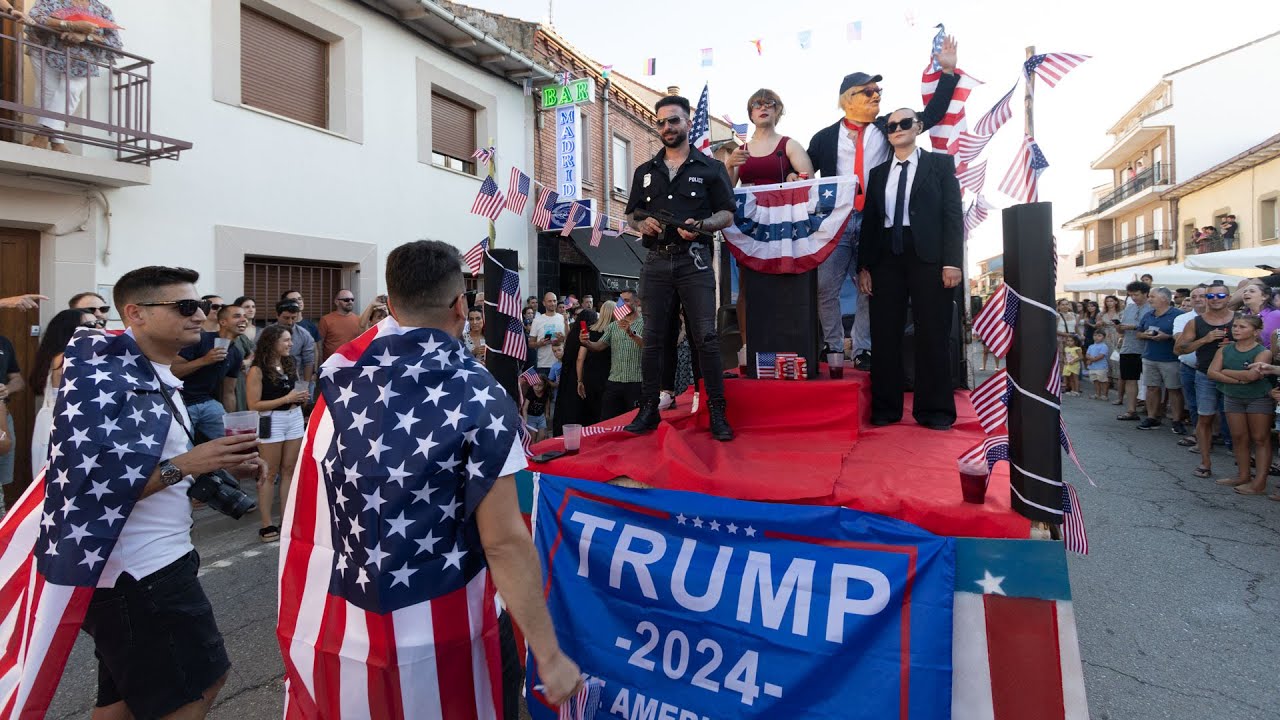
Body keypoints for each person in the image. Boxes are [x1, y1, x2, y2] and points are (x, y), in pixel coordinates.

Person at [279, 240, 583, 712]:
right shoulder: (479, 395)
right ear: (462, 306)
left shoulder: (341, 382)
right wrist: (548, 653)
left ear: (390, 304)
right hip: (451, 627)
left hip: (354, 622)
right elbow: (503, 540)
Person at [76, 265, 266, 718]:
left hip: (148, 565)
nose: (200, 315)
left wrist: (221, 464)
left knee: (121, 698)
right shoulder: (110, 385)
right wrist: (189, 463)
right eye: (184, 307)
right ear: (135, 313)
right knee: (200, 682)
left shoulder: (157, 376)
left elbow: (157, 465)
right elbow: (93, 489)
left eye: (200, 305)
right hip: (138, 574)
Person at [807, 36, 960, 373]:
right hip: (837, 221)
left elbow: (931, 115)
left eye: (878, 92)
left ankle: (862, 349)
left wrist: (947, 73)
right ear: (848, 99)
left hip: (877, 220)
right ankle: (832, 346)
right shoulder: (822, 138)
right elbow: (800, 171)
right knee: (824, 286)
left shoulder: (889, 126)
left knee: (868, 288)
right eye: (868, 92)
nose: (876, 96)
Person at [623, 95, 737, 440]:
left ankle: (717, 411)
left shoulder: (711, 167)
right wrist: (641, 226)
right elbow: (631, 214)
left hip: (696, 260)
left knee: (706, 337)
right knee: (655, 339)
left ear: (688, 123)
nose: (667, 127)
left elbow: (727, 213)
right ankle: (647, 410)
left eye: (673, 120)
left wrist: (702, 225)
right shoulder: (645, 171)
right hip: (656, 261)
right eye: (661, 122)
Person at [855, 108, 962, 428]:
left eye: (904, 123)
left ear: (918, 127)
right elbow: (870, 223)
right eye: (891, 126)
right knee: (884, 334)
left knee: (933, 333)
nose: (897, 129)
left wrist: (952, 261)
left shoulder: (940, 165)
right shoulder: (877, 174)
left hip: (929, 257)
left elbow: (952, 216)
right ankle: (886, 409)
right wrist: (864, 266)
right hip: (886, 256)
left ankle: (935, 411)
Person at [724, 88, 817, 346]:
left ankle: (784, 341)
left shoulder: (788, 144)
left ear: (778, 111)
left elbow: (808, 179)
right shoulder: (740, 149)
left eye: (769, 103)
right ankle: (747, 344)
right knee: (747, 284)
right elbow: (726, 192)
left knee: (782, 281)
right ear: (751, 113)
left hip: (781, 225)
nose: (763, 107)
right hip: (750, 224)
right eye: (756, 104)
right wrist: (730, 164)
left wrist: (791, 177)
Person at [24, 0, 123, 152]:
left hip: (81, 58)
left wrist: (86, 37)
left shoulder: (102, 10)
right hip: (48, 50)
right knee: (47, 94)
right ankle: (57, 142)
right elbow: (35, 17)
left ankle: (42, 135)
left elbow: (115, 42)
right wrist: (71, 25)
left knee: (71, 91)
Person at [245, 324, 309, 542]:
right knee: (269, 472)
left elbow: (293, 390)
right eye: (286, 340)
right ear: (272, 342)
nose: (291, 344)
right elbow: (253, 404)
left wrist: (300, 398)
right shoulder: (257, 369)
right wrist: (286, 399)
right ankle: (266, 524)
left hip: (294, 418)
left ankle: (287, 519)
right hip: (271, 420)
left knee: (289, 470)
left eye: (290, 339)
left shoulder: (289, 362)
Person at [1176, 280, 1236, 479]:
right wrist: (1205, 339)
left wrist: (1234, 346)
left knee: (1238, 421)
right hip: (1205, 375)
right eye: (1210, 296)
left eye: (1220, 296)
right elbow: (1178, 349)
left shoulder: (1240, 319)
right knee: (1205, 418)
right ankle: (1205, 462)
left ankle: (1243, 466)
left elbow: (1258, 345)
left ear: (1228, 298)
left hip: (1234, 376)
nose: (1215, 300)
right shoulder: (1196, 322)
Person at [29, 308, 98, 477]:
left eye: (97, 323)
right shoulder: (67, 356)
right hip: (62, 424)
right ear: (70, 328)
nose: (97, 327)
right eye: (89, 324)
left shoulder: (62, 354)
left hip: (61, 421)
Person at [1208, 315, 1273, 494]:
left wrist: (1226, 371)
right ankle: (1243, 475)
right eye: (1235, 326)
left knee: (1260, 438)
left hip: (1258, 398)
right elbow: (1212, 372)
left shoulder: (1263, 352)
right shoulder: (1225, 349)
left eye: (1242, 327)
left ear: (1256, 331)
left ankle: (1260, 482)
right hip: (1232, 396)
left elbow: (1253, 376)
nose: (1236, 329)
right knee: (1238, 437)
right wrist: (1237, 380)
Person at [172, 303, 246, 440]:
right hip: (181, 403)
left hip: (208, 402)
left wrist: (232, 421)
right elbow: (172, 372)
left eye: (245, 317)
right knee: (182, 446)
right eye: (237, 316)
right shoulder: (200, 339)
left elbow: (229, 392)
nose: (244, 320)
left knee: (230, 442)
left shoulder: (236, 353)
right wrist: (205, 360)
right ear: (223, 322)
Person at [580, 299, 645, 420]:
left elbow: (648, 346)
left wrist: (631, 333)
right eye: (621, 301)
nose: (622, 304)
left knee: (635, 421)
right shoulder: (613, 326)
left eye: (627, 300)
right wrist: (587, 343)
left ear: (636, 302)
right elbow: (599, 346)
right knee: (607, 420)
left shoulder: (646, 323)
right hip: (614, 381)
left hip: (636, 381)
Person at [1135, 288, 1185, 431]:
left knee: (1174, 389)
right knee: (1151, 388)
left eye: (1152, 296)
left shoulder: (1178, 315)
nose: (1149, 299)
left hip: (1171, 358)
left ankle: (1177, 420)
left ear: (1164, 299)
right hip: (1150, 357)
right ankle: (1152, 417)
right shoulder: (1148, 314)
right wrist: (1146, 335)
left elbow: (1183, 336)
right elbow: (1138, 333)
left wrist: (1167, 337)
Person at [1172, 286, 1208, 443]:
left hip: (1213, 368)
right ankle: (1198, 434)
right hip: (1189, 367)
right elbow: (1180, 342)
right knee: (1194, 403)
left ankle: (1216, 435)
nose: (1198, 299)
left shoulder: (1221, 319)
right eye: (1194, 296)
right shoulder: (1182, 319)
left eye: (1202, 296)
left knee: (1214, 405)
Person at [1116, 281, 1152, 421]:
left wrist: (1133, 327)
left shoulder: (1152, 308)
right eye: (1131, 295)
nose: (1134, 298)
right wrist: (1119, 327)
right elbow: (1122, 328)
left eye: (1136, 294)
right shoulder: (1129, 308)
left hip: (1147, 348)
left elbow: (1151, 327)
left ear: (1145, 294)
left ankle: (1152, 411)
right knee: (1130, 379)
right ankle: (1131, 410)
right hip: (1128, 347)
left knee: (1150, 382)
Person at [554, 308, 593, 435]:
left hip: (567, 375)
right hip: (577, 375)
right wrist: (580, 380)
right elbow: (580, 358)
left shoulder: (572, 334)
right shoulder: (584, 333)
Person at [577, 303, 614, 426]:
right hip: (609, 375)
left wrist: (580, 381)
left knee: (592, 411)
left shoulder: (590, 330)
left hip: (590, 375)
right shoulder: (614, 331)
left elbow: (580, 358)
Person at [0, 331, 23, 498]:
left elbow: (17, 379)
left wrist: (7, 389)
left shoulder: (4, 342)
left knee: (2, 480)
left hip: (2, 415)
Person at [272, 299, 316, 382]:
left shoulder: (305, 335)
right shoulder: (265, 333)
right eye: (286, 318)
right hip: (271, 379)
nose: (290, 322)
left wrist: (304, 386)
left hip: (296, 380)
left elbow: (309, 362)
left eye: (293, 318)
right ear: (277, 315)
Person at [318, 289, 361, 361]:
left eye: (352, 299)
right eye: (346, 300)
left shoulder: (359, 319)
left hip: (352, 363)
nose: (350, 302)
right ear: (337, 302)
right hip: (331, 365)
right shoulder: (326, 320)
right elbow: (319, 345)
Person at [530, 291, 565, 379]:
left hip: (561, 363)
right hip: (544, 364)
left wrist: (562, 339)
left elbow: (569, 340)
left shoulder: (562, 318)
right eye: (549, 301)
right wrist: (540, 343)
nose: (552, 303)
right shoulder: (537, 320)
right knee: (545, 391)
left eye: (554, 301)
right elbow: (530, 344)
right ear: (544, 303)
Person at [521, 371, 551, 442]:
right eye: (535, 385)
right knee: (532, 438)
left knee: (542, 437)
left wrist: (547, 414)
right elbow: (525, 408)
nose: (537, 387)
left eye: (540, 385)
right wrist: (525, 419)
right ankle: (533, 452)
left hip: (541, 417)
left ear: (544, 386)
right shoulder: (531, 392)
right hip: (530, 417)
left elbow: (547, 403)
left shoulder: (546, 393)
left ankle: (538, 451)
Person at [1085, 329, 1110, 400]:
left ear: (1103, 337)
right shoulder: (1091, 346)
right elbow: (1087, 354)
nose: (1096, 337)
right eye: (1095, 335)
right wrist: (1089, 359)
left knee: (1103, 381)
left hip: (1101, 367)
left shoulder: (1104, 346)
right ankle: (1097, 394)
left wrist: (1091, 360)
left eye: (1099, 336)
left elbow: (1101, 356)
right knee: (1095, 381)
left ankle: (1104, 395)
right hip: (1092, 367)